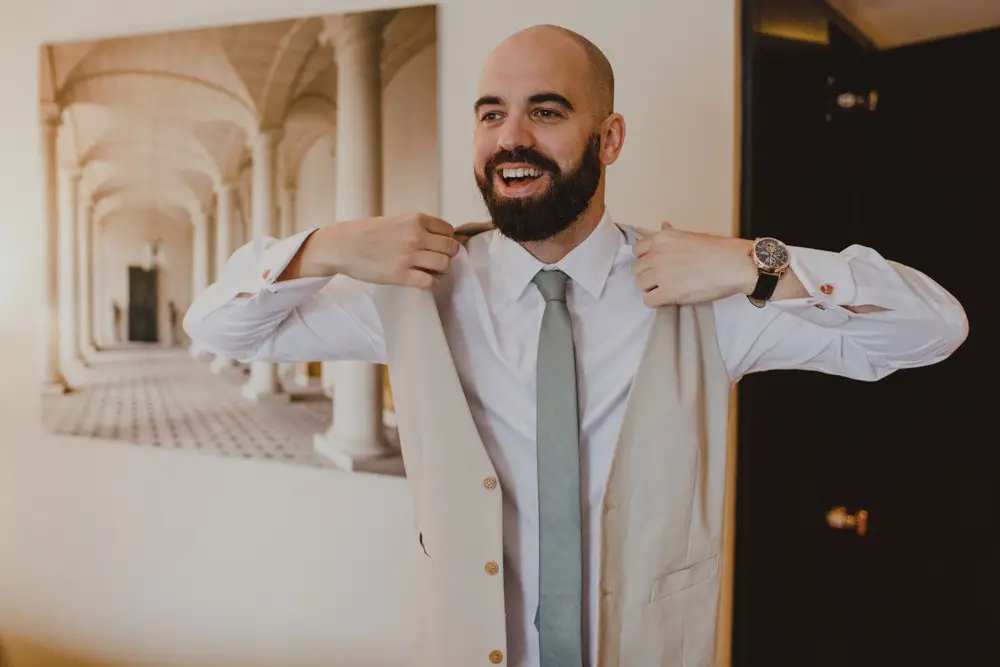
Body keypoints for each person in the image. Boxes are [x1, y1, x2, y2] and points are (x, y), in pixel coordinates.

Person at [184, 24, 968, 667]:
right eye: (491, 114)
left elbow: (933, 327)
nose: (510, 138)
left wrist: (748, 262)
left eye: (546, 112)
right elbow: (217, 326)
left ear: (610, 135)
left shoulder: (708, 295)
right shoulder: (417, 286)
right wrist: (326, 243)